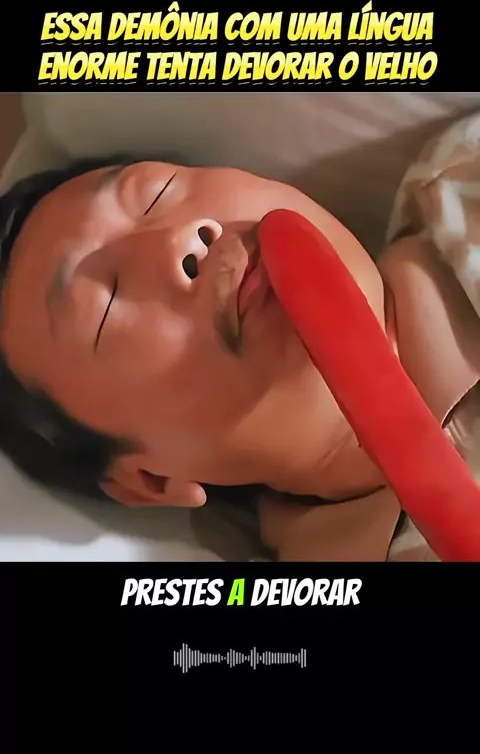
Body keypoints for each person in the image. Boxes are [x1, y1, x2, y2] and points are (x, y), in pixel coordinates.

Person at [1, 111, 480, 561]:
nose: (182, 239)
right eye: (104, 306)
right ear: (151, 480)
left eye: (156, 192)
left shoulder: (466, 183)